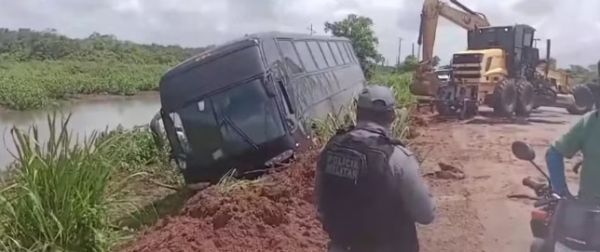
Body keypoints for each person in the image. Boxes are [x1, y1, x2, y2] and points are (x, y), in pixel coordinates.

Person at [315, 85, 436, 252]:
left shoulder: (330, 150)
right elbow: (426, 215)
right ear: (392, 116)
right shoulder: (398, 158)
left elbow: (321, 207)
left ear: (357, 112)